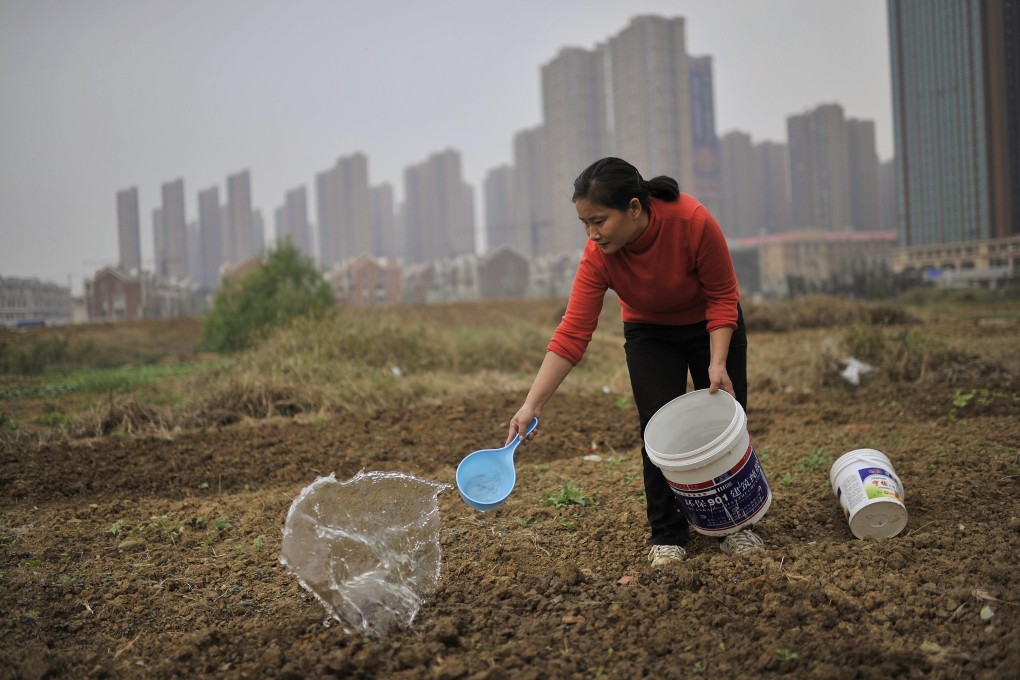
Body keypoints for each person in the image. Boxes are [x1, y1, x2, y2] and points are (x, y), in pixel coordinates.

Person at [506, 157, 764, 567]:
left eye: (599, 221)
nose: (592, 234)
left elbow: (722, 296)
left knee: (724, 423)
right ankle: (668, 535)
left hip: (712, 325)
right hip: (650, 332)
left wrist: (717, 363)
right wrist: (531, 405)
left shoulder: (692, 221)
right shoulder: (599, 256)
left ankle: (737, 526)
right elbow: (572, 334)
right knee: (657, 430)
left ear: (634, 208)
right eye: (584, 224)